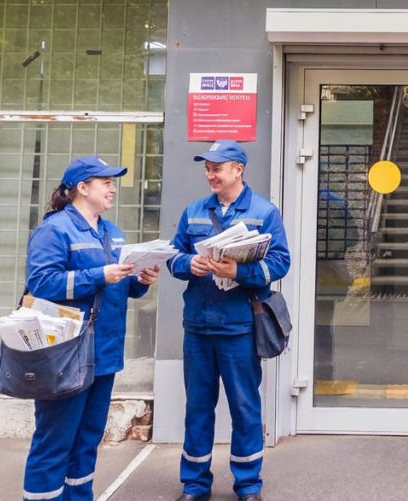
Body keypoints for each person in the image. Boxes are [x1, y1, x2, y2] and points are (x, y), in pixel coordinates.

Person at [23, 156, 159, 501]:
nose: (113, 189)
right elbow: (41, 284)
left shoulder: (113, 233)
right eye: (106, 183)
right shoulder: (54, 230)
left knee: (87, 439)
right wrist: (99, 275)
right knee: (55, 441)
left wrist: (140, 281)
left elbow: (118, 288)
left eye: (113, 183)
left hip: (104, 354)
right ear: (82, 188)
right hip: (65, 354)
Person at [168, 140, 291, 501]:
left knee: (245, 408)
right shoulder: (193, 211)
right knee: (197, 409)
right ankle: (195, 485)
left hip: (240, 328)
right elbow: (173, 256)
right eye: (207, 168)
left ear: (238, 169)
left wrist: (239, 271)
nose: (210, 175)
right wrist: (187, 263)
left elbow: (280, 263)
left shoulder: (264, 212)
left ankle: (248, 486)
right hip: (198, 327)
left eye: (217, 168)